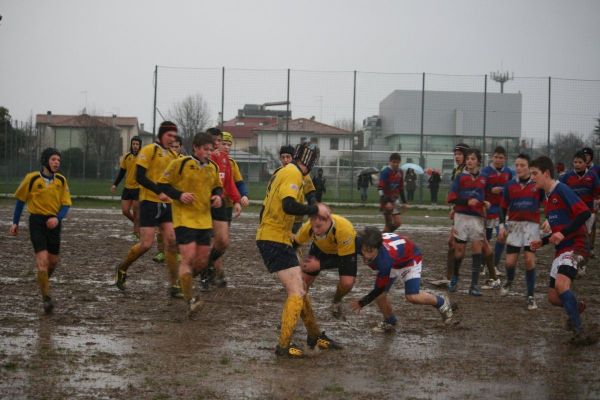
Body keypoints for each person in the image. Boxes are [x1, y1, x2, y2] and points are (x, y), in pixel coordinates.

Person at [256, 142, 339, 358]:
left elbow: (310, 192)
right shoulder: (293, 172)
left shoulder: (296, 172)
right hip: (273, 238)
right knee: (296, 291)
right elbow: (289, 205)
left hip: (278, 237)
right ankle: (283, 346)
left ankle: (314, 335)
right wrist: (315, 209)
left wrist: (313, 207)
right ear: (311, 162)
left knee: (300, 288)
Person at [529, 156, 594, 344]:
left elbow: (584, 213)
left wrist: (563, 233)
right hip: (562, 249)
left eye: (535, 173)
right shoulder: (548, 199)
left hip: (576, 246)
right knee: (553, 298)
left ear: (546, 173)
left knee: (561, 286)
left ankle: (580, 332)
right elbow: (558, 232)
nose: (532, 177)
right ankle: (576, 306)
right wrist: (543, 242)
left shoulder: (562, 189)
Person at [114, 121, 182, 298]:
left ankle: (174, 285)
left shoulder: (174, 156)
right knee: (146, 244)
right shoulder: (149, 150)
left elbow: (176, 181)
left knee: (172, 243)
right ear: (161, 135)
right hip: (148, 203)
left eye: (174, 136)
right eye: (169, 135)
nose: (172, 139)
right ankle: (122, 268)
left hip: (166, 204)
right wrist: (159, 191)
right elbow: (140, 177)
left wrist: (181, 195)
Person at [157, 132, 223, 315]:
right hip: (184, 219)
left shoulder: (213, 168)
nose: (209, 153)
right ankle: (190, 300)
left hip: (204, 220)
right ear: (195, 148)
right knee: (188, 257)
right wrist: (179, 195)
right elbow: (162, 184)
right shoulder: (181, 163)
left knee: (201, 261)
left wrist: (217, 196)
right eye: (205, 149)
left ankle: (182, 279)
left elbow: (218, 186)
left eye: (211, 150)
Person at [350, 227, 453, 332]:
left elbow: (379, 289)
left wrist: (362, 302)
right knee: (380, 297)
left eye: (370, 251)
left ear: (377, 248)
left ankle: (442, 302)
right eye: (363, 250)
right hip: (396, 256)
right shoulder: (360, 242)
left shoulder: (384, 261)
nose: (366, 255)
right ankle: (389, 321)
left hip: (409, 260)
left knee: (412, 296)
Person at [10, 148, 72, 313]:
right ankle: (46, 299)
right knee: (42, 260)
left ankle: (43, 281)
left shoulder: (61, 180)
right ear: (46, 161)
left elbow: (66, 205)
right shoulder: (31, 179)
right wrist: (15, 222)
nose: (56, 162)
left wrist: (57, 218)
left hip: (54, 223)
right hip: (36, 222)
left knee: (53, 262)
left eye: (58, 160)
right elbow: (20, 201)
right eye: (53, 159)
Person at [497, 154, 544, 310]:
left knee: (529, 260)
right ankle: (510, 280)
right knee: (510, 262)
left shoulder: (538, 184)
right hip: (515, 226)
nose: (518, 168)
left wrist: (549, 219)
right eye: (516, 165)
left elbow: (548, 203)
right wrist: (502, 225)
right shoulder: (510, 185)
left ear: (529, 167)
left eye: (522, 165)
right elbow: (502, 208)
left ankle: (530, 296)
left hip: (532, 227)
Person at [294, 209, 358, 320]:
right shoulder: (308, 227)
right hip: (320, 249)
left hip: (343, 253)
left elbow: (343, 260)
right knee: (302, 282)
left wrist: (320, 265)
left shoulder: (344, 229)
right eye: (314, 226)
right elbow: (293, 245)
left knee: (347, 283)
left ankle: (336, 300)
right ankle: (294, 314)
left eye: (319, 226)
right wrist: (296, 262)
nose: (316, 230)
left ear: (328, 220)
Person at [202, 129, 242, 288]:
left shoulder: (225, 159)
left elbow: (229, 183)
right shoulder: (204, 160)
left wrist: (237, 200)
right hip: (204, 207)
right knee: (210, 242)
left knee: (223, 242)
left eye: (219, 141)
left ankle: (208, 266)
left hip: (219, 204)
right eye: (215, 141)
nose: (217, 144)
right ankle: (209, 274)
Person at [447, 148, 489, 296]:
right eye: (468, 159)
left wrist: (485, 203)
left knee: (477, 250)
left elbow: (485, 197)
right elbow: (451, 197)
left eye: (473, 159)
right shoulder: (460, 177)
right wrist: (466, 201)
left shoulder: (484, 178)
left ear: (478, 161)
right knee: (459, 252)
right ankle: (455, 277)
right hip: (461, 217)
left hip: (477, 218)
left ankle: (474, 285)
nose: (470, 161)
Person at [480, 146, 513, 288]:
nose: (498, 160)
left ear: (505, 159)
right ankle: (483, 264)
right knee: (486, 239)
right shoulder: (486, 171)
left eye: (501, 157)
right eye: (496, 157)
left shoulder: (508, 172)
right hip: (489, 208)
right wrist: (490, 190)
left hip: (503, 210)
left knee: (502, 237)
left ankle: (494, 265)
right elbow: (480, 187)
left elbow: (512, 187)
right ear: (492, 157)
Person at [560, 150, 600, 259]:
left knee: (585, 237)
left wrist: (597, 201)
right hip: (572, 213)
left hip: (587, 212)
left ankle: (583, 264)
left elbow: (598, 192)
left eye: (580, 162)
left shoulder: (592, 176)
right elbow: (559, 191)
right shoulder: (566, 177)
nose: (577, 164)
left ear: (585, 163)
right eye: (575, 162)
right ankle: (569, 258)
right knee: (572, 236)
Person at [445, 143, 470, 280]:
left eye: (459, 154)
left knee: (454, 243)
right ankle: (450, 276)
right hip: (460, 210)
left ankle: (451, 276)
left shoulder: (466, 171)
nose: (456, 157)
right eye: (455, 154)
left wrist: (454, 208)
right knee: (453, 243)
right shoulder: (457, 170)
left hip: (465, 212)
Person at [111, 136, 142, 238]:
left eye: (137, 144)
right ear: (131, 145)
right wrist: (115, 184)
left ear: (140, 145)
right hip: (127, 188)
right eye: (133, 144)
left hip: (138, 188)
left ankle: (136, 233)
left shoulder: (143, 157)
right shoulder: (126, 156)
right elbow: (122, 172)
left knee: (136, 212)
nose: (135, 146)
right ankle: (139, 225)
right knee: (125, 211)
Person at [378, 153, 408, 233]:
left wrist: (404, 202)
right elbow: (380, 188)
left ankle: (383, 236)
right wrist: (386, 202)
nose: (395, 164)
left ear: (400, 162)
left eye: (397, 162)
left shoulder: (400, 172)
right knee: (388, 225)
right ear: (390, 162)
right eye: (394, 162)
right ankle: (383, 240)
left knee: (398, 223)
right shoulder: (385, 172)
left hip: (395, 200)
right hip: (386, 199)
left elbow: (401, 188)